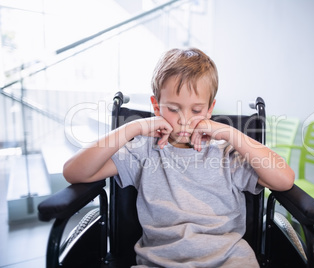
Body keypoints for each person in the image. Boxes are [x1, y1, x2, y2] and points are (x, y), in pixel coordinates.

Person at [63, 48, 295, 267]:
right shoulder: (142, 150)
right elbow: (74, 172)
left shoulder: (226, 152)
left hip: (228, 260)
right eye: (173, 109)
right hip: (160, 261)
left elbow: (284, 179)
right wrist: (132, 128)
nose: (184, 119)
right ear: (156, 106)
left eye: (196, 110)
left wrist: (230, 133)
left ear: (209, 109)